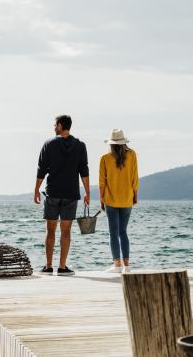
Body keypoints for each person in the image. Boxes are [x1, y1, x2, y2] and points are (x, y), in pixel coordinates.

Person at [34, 114, 90, 275]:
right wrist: (87, 192)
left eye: (55, 125)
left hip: (53, 193)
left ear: (60, 125)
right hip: (71, 194)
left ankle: (48, 266)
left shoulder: (49, 144)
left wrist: (37, 189)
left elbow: (41, 169)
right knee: (66, 232)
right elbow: (84, 170)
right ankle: (62, 267)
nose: (53, 128)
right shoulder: (80, 146)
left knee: (50, 230)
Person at [98, 128, 139, 273]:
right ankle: (126, 266)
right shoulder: (132, 155)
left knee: (113, 232)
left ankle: (117, 265)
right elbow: (135, 178)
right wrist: (134, 195)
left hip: (111, 200)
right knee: (123, 231)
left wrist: (101, 200)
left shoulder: (105, 158)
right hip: (127, 199)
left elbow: (102, 183)